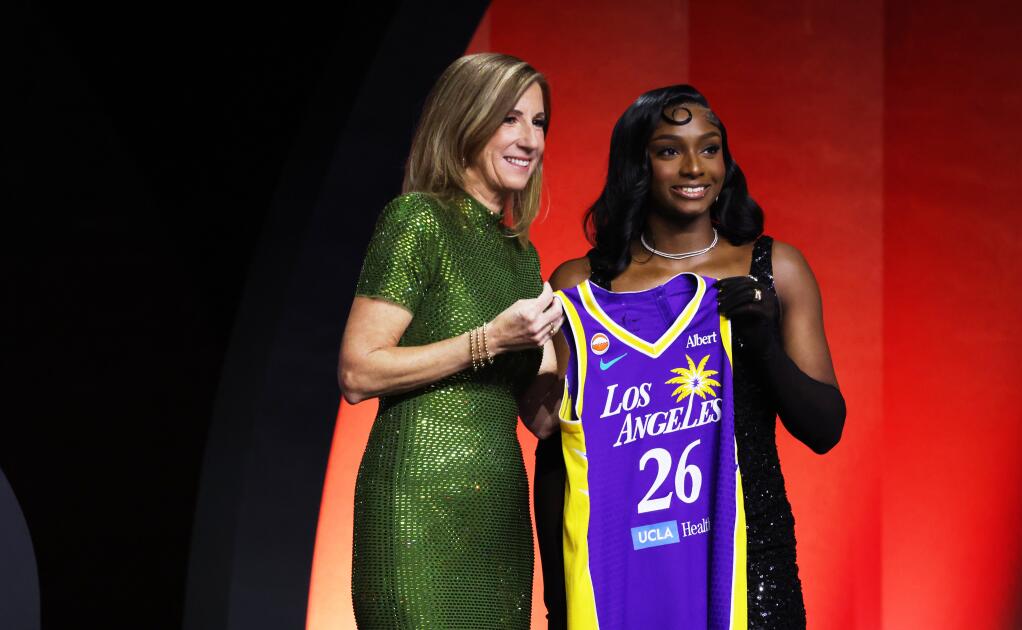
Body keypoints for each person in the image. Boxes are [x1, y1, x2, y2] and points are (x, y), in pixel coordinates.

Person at [535, 84, 846, 629]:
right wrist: (560, 601)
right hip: (626, 569)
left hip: (749, 558)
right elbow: (558, 450)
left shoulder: (775, 268)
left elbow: (825, 429)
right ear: (637, 164)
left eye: (709, 148)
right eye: (668, 150)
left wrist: (764, 344)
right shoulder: (582, 286)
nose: (694, 167)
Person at [339, 53, 564, 629]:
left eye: (538, 122)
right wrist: (489, 340)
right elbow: (358, 372)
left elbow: (539, 419)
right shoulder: (417, 220)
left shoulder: (522, 257)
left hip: (499, 519)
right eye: (509, 118)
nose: (529, 140)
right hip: (415, 512)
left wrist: (581, 358)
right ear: (466, 119)